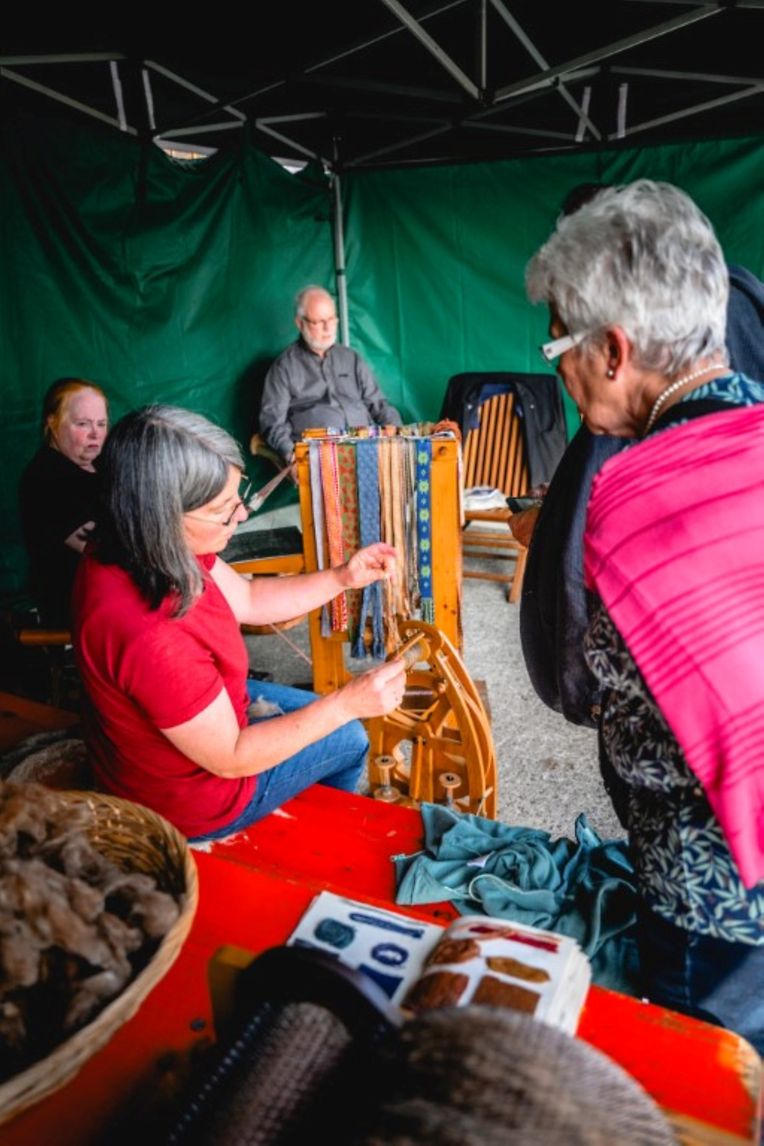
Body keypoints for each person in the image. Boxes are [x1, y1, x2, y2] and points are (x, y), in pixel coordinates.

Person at [525, 180, 764, 1053]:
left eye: (560, 342)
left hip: (717, 901)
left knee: (714, 1076)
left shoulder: (638, 494)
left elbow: (640, 740)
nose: (558, 367)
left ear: (614, 350)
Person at [72, 405, 406, 843]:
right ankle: (312, 845)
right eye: (222, 509)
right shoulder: (149, 634)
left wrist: (343, 577)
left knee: (325, 719)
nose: (242, 515)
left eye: (237, 498)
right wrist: (347, 704)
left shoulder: (138, 544)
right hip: (192, 800)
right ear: (162, 516)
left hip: (186, 735)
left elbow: (249, 598)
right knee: (349, 736)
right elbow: (231, 756)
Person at [259, 285, 402, 463]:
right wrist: (291, 455)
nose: (328, 328)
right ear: (300, 323)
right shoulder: (284, 368)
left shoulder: (351, 358)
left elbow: (379, 405)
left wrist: (399, 435)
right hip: (319, 460)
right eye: (319, 322)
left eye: (332, 319)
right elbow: (272, 423)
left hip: (367, 451)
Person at [19, 378, 109, 627]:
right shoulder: (45, 478)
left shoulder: (102, 465)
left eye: (101, 424)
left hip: (111, 600)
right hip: (78, 612)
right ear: (53, 422)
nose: (95, 433)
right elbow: (102, 548)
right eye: (82, 424)